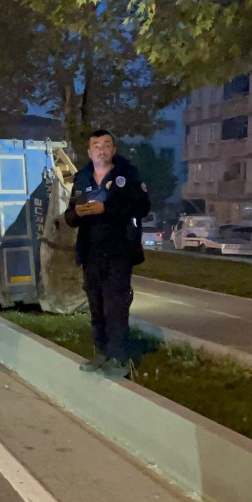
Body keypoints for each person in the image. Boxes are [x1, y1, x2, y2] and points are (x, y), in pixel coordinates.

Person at [64, 129, 151, 377]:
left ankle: (120, 358)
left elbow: (142, 206)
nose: (101, 149)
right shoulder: (81, 178)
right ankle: (101, 352)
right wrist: (76, 214)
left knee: (116, 305)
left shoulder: (127, 174)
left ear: (113, 150)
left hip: (119, 252)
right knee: (96, 305)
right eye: (96, 146)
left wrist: (107, 208)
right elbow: (70, 215)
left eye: (106, 145)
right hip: (91, 252)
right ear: (90, 152)